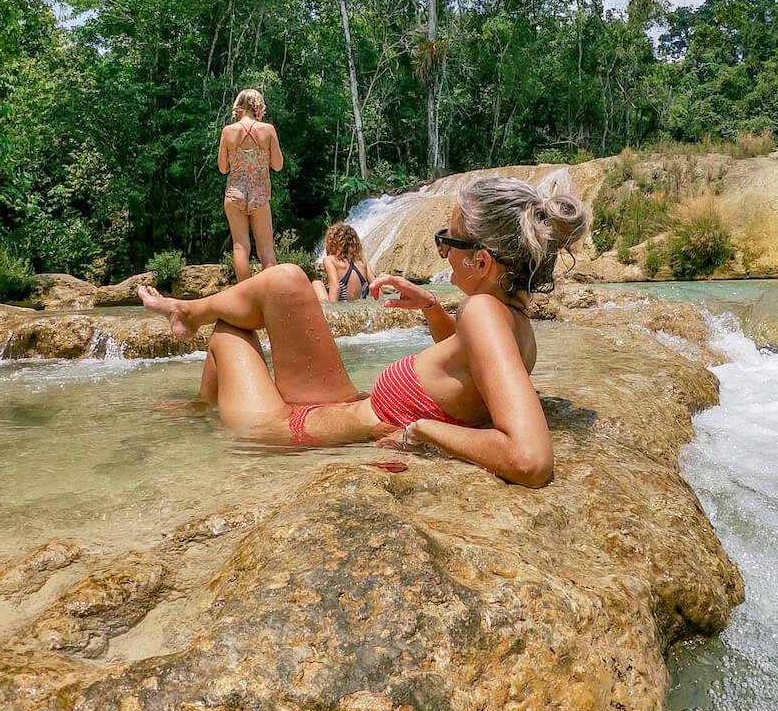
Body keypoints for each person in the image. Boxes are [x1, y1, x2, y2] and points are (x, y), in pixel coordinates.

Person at [137, 176, 589, 488]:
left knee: (228, 333)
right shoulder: (512, 319)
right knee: (286, 280)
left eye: (447, 242)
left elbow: (530, 462)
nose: (442, 252)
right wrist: (431, 308)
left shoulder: (485, 314)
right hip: (343, 406)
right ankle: (188, 319)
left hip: (292, 430)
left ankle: (196, 361)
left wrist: (423, 431)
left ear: (482, 261)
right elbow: (472, 367)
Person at [219, 88, 284, 283]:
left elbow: (223, 168)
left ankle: (244, 298)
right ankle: (269, 296)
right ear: (258, 106)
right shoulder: (267, 129)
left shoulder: (228, 131)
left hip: (234, 193)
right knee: (266, 249)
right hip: (259, 193)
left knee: (240, 246)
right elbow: (278, 165)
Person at [311, 223, 375, 302]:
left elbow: (335, 287)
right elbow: (376, 286)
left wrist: (332, 312)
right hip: (359, 310)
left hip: (341, 310)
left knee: (317, 284)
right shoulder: (362, 261)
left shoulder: (330, 260)